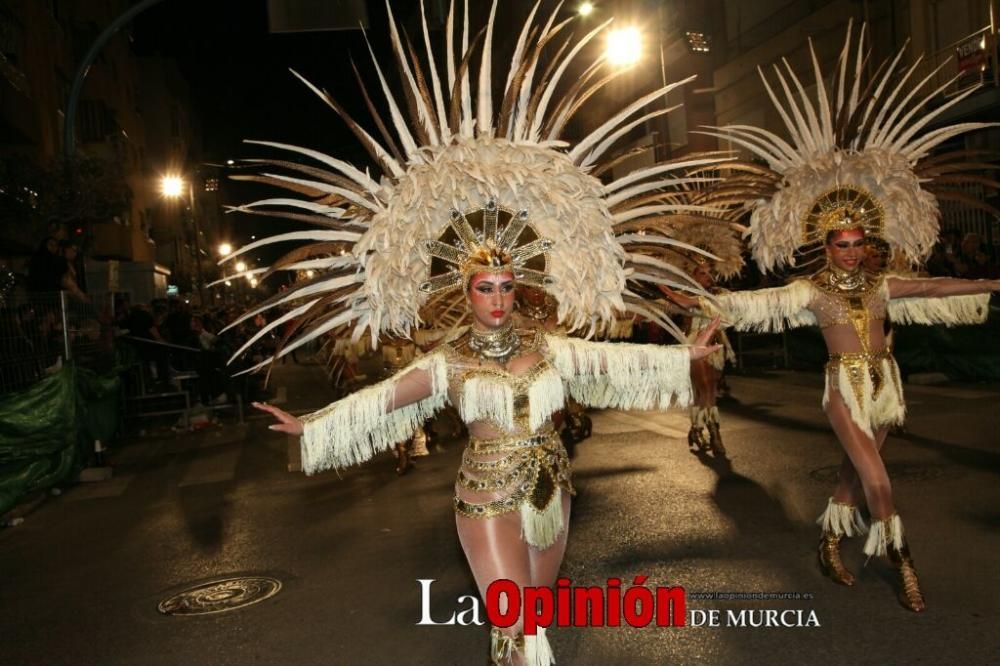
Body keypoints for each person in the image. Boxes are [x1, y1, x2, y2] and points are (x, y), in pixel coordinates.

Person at [700, 22, 999, 612]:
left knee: (853, 477)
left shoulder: (885, 284)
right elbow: (757, 303)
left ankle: (829, 541)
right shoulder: (811, 290)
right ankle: (902, 562)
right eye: (841, 243)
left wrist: (988, 280)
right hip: (843, 388)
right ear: (825, 245)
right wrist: (707, 303)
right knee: (880, 481)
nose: (852, 250)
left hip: (886, 386)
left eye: (859, 242)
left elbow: (936, 287)